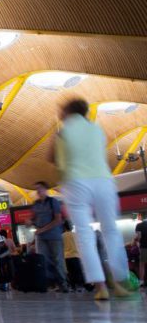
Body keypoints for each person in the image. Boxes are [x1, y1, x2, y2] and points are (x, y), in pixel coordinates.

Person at [52, 98, 132, 300]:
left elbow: (54, 159)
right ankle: (121, 282)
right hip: (104, 181)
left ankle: (101, 287)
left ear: (68, 111)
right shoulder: (97, 130)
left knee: (85, 235)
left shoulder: (64, 131)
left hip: (76, 183)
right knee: (111, 230)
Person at [28, 182, 69, 292]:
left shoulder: (53, 202)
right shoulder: (35, 204)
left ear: (46, 189)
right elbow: (33, 218)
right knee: (44, 260)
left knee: (57, 259)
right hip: (41, 238)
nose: (38, 191)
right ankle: (50, 283)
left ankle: (63, 283)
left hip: (54, 236)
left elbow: (58, 220)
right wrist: (29, 222)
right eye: (36, 189)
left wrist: (42, 229)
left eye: (40, 188)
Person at [62, 221, 85, 291]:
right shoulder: (76, 235)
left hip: (66, 257)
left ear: (64, 227)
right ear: (71, 227)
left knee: (70, 273)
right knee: (78, 272)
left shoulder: (62, 236)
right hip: (76, 256)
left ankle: (72, 287)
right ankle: (80, 287)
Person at [134, 214, 147, 287]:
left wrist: (136, 241)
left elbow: (138, 237)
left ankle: (141, 281)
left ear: (140, 216)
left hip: (144, 247)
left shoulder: (139, 225)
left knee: (142, 264)